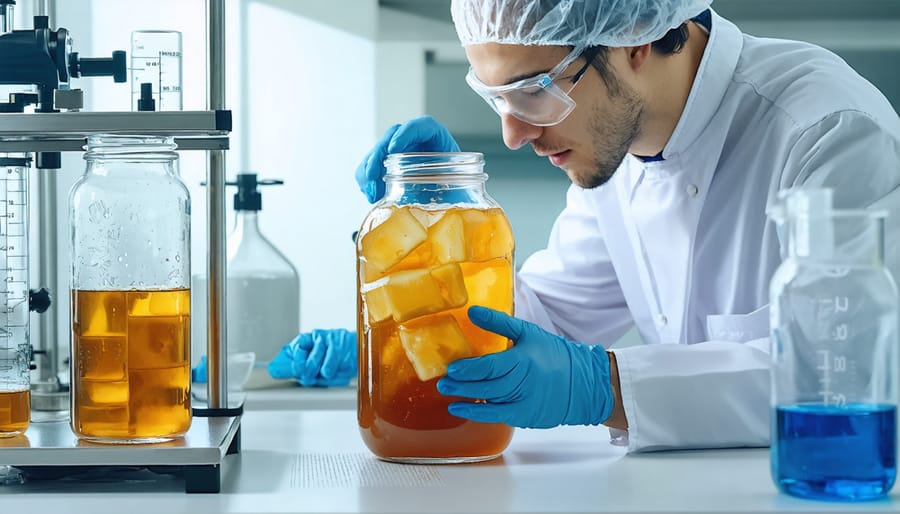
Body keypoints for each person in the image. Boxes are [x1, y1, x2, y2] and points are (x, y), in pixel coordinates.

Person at [270, 0, 900, 451]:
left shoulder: (825, 132)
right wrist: (444, 244)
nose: (514, 134)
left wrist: (607, 385)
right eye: (498, 100)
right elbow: (549, 320)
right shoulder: (623, 150)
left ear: (635, 39)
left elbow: (838, 378)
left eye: (534, 92)